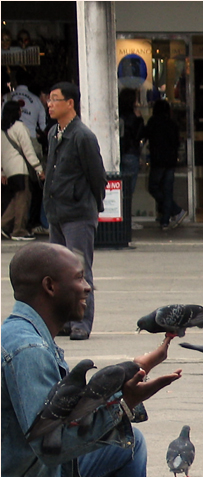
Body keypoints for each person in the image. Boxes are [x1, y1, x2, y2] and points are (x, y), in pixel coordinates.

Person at [1, 242, 181, 477]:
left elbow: (64, 425)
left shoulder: (31, 336)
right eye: (80, 278)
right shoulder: (29, 351)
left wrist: (125, 393)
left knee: (129, 443)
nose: (87, 287)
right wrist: (124, 402)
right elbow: (52, 447)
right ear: (50, 286)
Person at [43, 81, 106, 341]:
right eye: (49, 100)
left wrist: (92, 205)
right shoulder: (53, 134)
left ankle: (82, 321)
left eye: (55, 99)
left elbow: (97, 176)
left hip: (78, 213)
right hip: (57, 213)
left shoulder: (83, 136)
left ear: (70, 103)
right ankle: (65, 320)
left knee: (79, 269)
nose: (50, 104)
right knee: (57, 270)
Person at [2, 99, 42, 240]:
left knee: (16, 200)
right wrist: (38, 168)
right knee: (24, 199)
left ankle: (3, 225)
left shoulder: (2, 130)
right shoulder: (19, 127)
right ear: (16, 112)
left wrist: (2, 172)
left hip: (8, 169)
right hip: (20, 168)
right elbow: (28, 150)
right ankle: (19, 231)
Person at [143, 99, 185, 230]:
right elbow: (176, 142)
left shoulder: (153, 122)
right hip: (171, 160)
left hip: (158, 160)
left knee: (153, 187)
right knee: (167, 190)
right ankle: (166, 219)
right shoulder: (172, 124)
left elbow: (145, 135)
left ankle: (175, 211)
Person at [117, 88, 143, 230]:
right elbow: (138, 135)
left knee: (120, 188)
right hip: (131, 154)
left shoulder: (118, 115)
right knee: (128, 190)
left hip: (119, 154)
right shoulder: (134, 117)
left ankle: (120, 217)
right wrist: (139, 119)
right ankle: (127, 219)